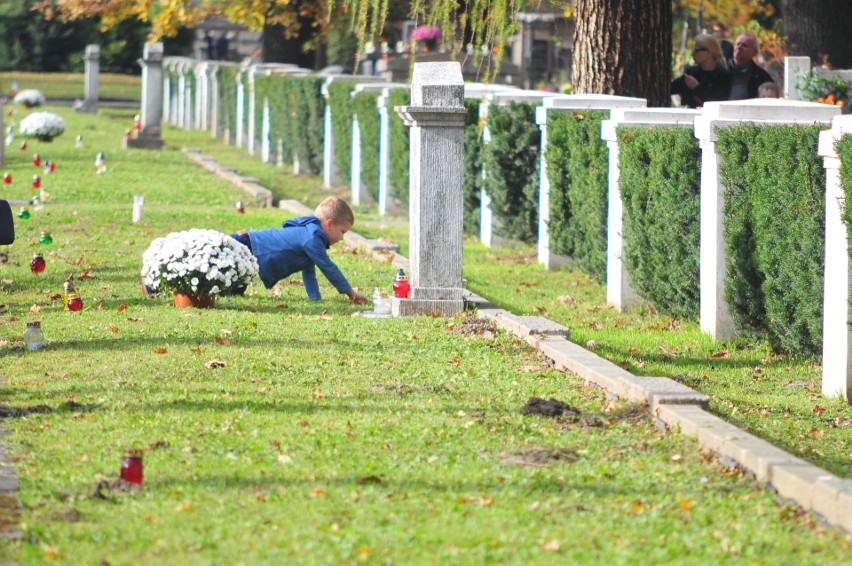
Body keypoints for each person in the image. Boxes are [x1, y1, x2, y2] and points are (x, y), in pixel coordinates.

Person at [230, 197, 367, 304]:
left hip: (247, 249)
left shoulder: (311, 234)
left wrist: (315, 298)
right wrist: (350, 293)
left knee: (233, 294)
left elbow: (308, 270)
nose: (342, 238)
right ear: (329, 224)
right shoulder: (312, 238)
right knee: (221, 287)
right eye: (342, 232)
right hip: (245, 247)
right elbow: (328, 268)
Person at [671, 34, 731, 108]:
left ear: (709, 53)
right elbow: (671, 88)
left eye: (696, 51)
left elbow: (718, 106)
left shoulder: (723, 76)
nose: (693, 54)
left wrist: (696, 87)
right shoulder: (692, 72)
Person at [728, 32, 775, 100]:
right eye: (737, 44)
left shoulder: (761, 77)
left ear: (755, 53)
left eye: (744, 45)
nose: (739, 47)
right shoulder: (721, 72)